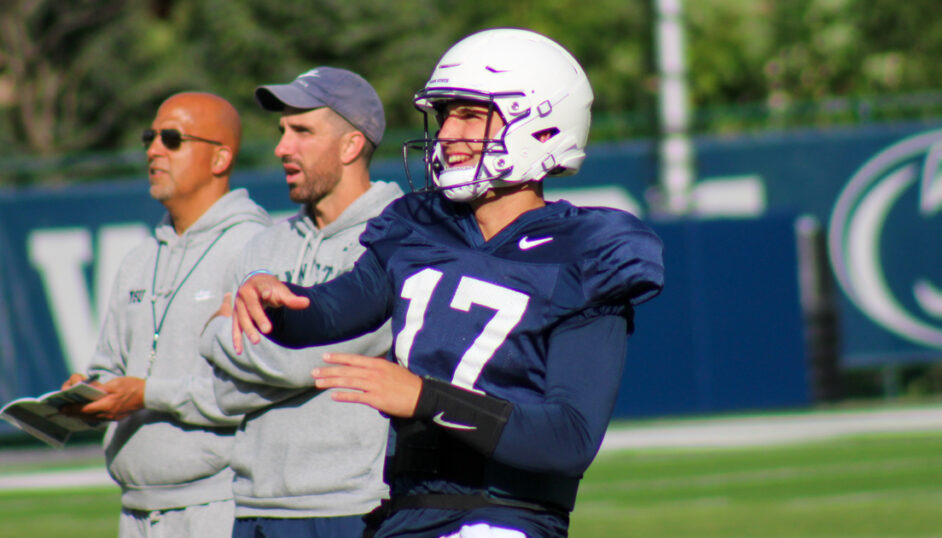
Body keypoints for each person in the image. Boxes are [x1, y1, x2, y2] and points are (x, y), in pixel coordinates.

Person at [231, 28, 665, 538]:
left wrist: (427, 398)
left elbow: (569, 439)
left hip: (508, 517)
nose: (449, 133)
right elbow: (332, 310)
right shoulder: (419, 224)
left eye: (470, 114)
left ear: (543, 123)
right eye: (444, 115)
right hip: (406, 513)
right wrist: (275, 302)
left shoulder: (587, 251)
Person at [199, 67, 403, 537]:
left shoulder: (396, 239)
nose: (281, 148)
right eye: (281, 131)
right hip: (253, 507)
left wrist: (216, 332)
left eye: (302, 132)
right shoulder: (262, 247)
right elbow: (222, 393)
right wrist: (247, 354)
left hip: (350, 506)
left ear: (351, 146)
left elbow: (308, 361)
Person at [61, 92, 272, 537]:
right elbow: (110, 364)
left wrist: (147, 394)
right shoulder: (138, 258)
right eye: (149, 137)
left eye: (172, 138)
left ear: (220, 158)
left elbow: (255, 388)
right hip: (134, 511)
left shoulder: (256, 250)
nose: (153, 149)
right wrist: (89, 390)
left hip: (219, 507)